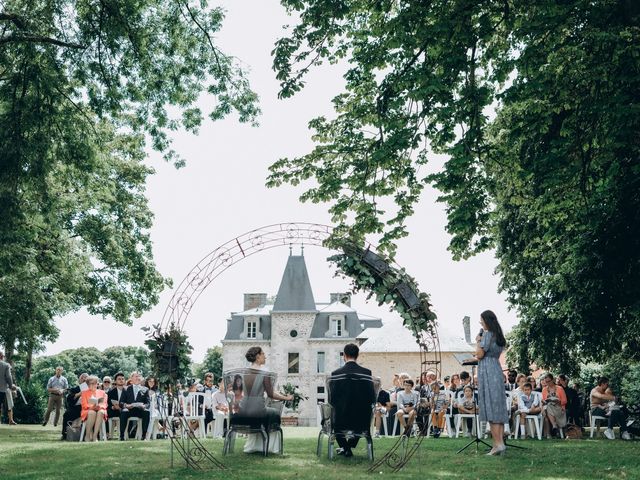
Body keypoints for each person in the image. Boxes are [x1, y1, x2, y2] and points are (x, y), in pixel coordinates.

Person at [240, 346, 293, 454]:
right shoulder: (265, 373)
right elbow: (271, 394)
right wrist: (287, 397)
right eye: (263, 354)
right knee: (275, 413)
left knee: (268, 412)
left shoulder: (243, 372)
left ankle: (253, 446)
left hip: (243, 410)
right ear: (258, 356)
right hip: (258, 410)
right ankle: (270, 448)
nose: (265, 357)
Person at [329, 343, 376, 458]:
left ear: (344, 355)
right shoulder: (366, 373)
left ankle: (346, 448)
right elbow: (372, 398)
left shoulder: (336, 374)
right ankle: (347, 448)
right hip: (361, 421)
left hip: (341, 420)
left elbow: (332, 400)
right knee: (362, 419)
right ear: (357, 355)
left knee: (336, 422)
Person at [474, 310, 509, 455]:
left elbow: (480, 354)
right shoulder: (498, 335)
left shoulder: (487, 334)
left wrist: (477, 341)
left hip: (487, 372)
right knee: (497, 407)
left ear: (487, 321)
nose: (480, 323)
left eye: (481, 320)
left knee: (491, 407)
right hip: (495, 369)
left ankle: (497, 444)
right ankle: (499, 443)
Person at [590, 376, 630, 440]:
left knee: (620, 412)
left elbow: (610, 402)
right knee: (614, 411)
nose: (608, 386)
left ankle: (624, 431)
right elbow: (601, 396)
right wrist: (613, 398)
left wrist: (613, 401)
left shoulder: (605, 391)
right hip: (595, 409)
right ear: (602, 384)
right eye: (607, 384)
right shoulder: (594, 390)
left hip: (605, 409)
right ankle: (609, 430)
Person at [119, 371, 150, 440]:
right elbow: (121, 402)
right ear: (131, 378)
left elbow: (148, 403)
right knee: (124, 412)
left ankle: (144, 435)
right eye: (136, 376)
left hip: (140, 410)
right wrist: (126, 405)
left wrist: (144, 406)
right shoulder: (126, 388)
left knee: (147, 412)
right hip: (129, 409)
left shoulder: (145, 389)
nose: (138, 378)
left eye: (139, 376)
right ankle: (122, 435)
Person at [61, 372, 88, 440]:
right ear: (79, 380)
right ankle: (65, 434)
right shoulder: (74, 389)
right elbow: (69, 399)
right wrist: (79, 394)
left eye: (86, 378)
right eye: (82, 378)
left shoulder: (91, 388)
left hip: (87, 408)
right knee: (67, 414)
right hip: (76, 408)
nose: (84, 379)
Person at [80, 375, 107, 441]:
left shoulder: (102, 392)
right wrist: (92, 407)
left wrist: (99, 407)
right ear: (88, 384)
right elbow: (84, 405)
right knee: (92, 412)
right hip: (88, 411)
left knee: (101, 412)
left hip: (100, 410)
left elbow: (104, 404)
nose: (95, 385)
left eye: (96, 383)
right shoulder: (84, 393)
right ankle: (87, 435)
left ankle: (95, 436)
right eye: (92, 383)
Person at [541, 373, 567, 438]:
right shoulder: (544, 389)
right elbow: (543, 401)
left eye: (549, 381)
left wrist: (558, 401)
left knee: (548, 410)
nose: (548, 383)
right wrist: (544, 402)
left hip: (559, 409)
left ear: (553, 380)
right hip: (548, 408)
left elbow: (565, 401)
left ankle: (552, 429)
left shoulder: (560, 388)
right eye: (546, 382)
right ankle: (552, 429)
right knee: (548, 406)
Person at [0, 351, 16, 424]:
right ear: (2, 357)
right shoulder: (6, 365)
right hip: (4, 388)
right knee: (9, 405)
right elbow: (8, 377)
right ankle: (10, 420)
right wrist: (11, 386)